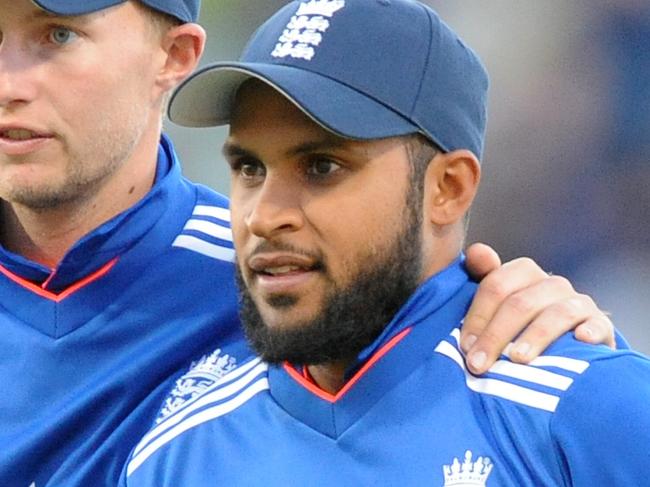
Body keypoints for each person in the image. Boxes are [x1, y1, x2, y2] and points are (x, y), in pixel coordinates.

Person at [0, 0, 617, 485]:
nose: (9, 83)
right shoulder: (187, 440)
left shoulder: (277, 280)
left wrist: (580, 360)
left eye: (59, 34)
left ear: (174, 54)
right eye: (248, 168)